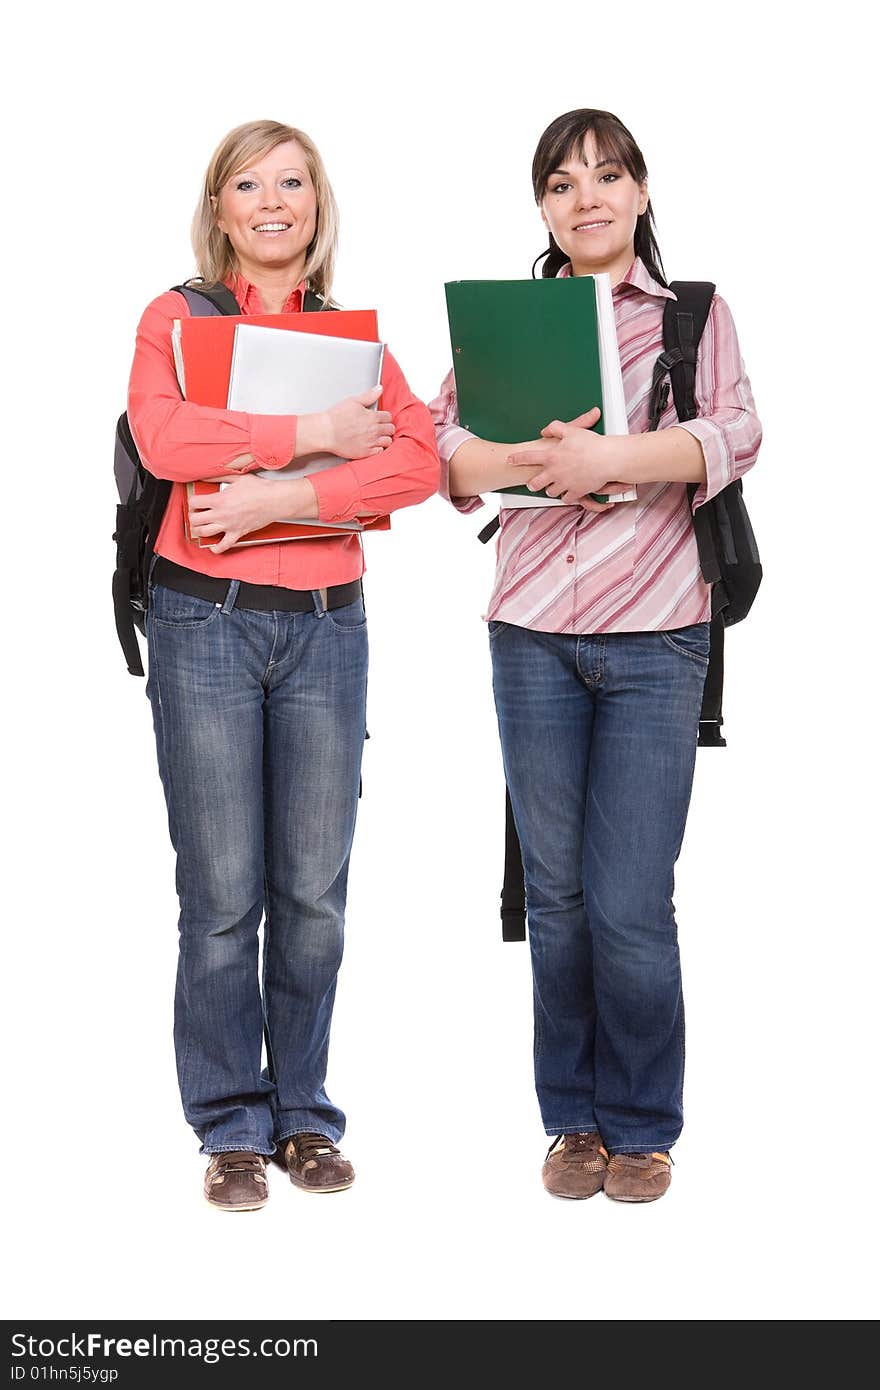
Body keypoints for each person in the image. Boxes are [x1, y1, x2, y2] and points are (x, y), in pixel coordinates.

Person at [430, 108, 761, 1203]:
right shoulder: (507, 322)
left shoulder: (693, 316)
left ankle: (643, 1122)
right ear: (543, 209)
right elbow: (442, 449)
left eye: (607, 176)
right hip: (529, 633)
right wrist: (520, 455)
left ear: (641, 192)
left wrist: (615, 455)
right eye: (563, 184)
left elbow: (734, 433)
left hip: (658, 634)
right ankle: (571, 1118)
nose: (587, 198)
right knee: (559, 897)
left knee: (629, 902)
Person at [127, 119, 439, 1211]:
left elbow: (415, 457)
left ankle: (301, 1112)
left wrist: (289, 494)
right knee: (220, 894)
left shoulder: (351, 337)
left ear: (317, 203)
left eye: (294, 182)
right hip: (203, 623)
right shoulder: (175, 319)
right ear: (220, 209)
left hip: (324, 626)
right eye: (249, 184)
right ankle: (228, 1123)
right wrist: (311, 429)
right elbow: (165, 442)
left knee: (310, 893)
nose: (274, 201)